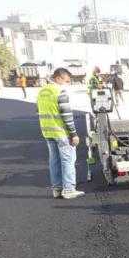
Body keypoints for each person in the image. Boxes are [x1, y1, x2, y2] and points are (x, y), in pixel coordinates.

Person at [37, 68, 84, 199]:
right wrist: (73, 134)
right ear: (58, 78)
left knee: (54, 161)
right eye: (67, 81)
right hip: (60, 132)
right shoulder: (59, 91)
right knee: (68, 160)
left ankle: (57, 189)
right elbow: (66, 115)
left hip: (47, 132)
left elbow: (38, 111)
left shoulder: (42, 91)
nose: (67, 84)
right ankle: (69, 189)